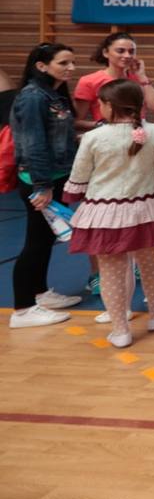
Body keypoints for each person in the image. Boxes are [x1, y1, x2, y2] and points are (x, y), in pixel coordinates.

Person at [62, 79, 154, 348]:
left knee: (111, 270)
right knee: (150, 263)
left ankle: (120, 330)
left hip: (103, 213)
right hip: (145, 210)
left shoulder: (92, 137)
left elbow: (79, 177)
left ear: (107, 105)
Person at [9, 43, 82, 328]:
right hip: (39, 180)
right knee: (35, 242)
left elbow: (62, 134)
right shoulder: (32, 97)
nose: (71, 68)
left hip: (56, 177)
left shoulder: (54, 94)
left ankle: (40, 293)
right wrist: (42, 185)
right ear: (42, 66)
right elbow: (32, 143)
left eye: (72, 62)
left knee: (45, 239)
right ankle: (23, 309)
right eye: (64, 63)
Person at [73, 32, 154, 126]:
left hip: (138, 135)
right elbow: (76, 121)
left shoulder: (138, 79)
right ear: (105, 52)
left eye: (131, 51)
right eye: (120, 51)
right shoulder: (89, 81)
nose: (127, 56)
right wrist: (101, 126)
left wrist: (142, 77)